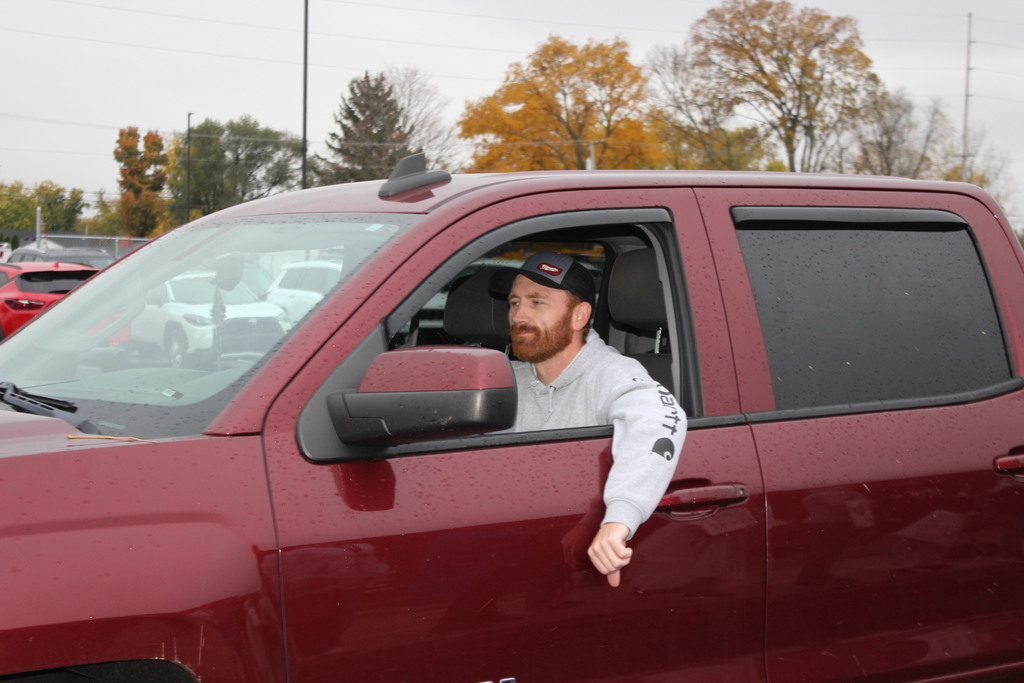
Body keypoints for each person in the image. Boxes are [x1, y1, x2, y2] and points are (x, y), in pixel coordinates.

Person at [490, 250, 686, 587]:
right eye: (514, 303)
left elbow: (660, 418)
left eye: (537, 302)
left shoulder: (613, 374)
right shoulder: (503, 378)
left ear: (579, 315)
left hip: (563, 559)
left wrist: (618, 521)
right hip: (511, 542)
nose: (519, 315)